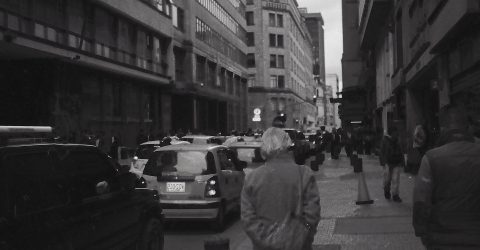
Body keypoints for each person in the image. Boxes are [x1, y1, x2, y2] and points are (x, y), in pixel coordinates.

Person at [241, 127, 321, 250]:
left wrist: (266, 241)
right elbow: (312, 216)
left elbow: (249, 220)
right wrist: (302, 235)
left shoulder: (252, 178)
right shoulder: (304, 174)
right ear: (288, 146)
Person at [413, 105, 480, 249]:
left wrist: (422, 232)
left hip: (441, 238)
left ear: (443, 128)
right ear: (468, 127)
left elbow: (421, 200)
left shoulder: (431, 157)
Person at [380, 126, 404, 202]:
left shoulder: (397, 140)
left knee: (395, 179)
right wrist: (383, 162)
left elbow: (401, 152)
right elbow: (382, 152)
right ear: (391, 133)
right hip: (388, 163)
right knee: (387, 179)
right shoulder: (385, 140)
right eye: (395, 132)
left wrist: (402, 162)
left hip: (396, 163)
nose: (397, 134)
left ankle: (395, 195)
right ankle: (386, 191)